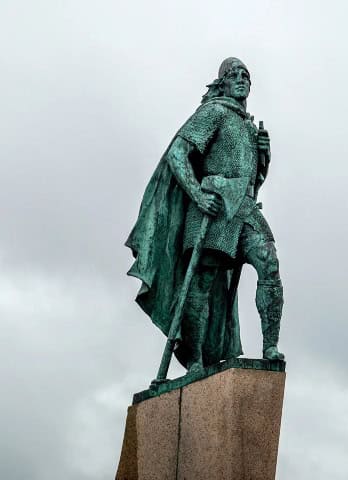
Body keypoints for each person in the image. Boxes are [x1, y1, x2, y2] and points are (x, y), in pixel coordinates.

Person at [125, 57, 284, 375]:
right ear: (222, 82)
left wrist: (263, 157)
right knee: (202, 281)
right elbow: (177, 154)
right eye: (233, 75)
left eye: (245, 76)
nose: (240, 79)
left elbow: (254, 182)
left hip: (244, 208)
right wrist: (197, 195)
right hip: (212, 206)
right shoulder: (214, 112)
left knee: (270, 265)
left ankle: (269, 347)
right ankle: (195, 359)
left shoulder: (249, 126)